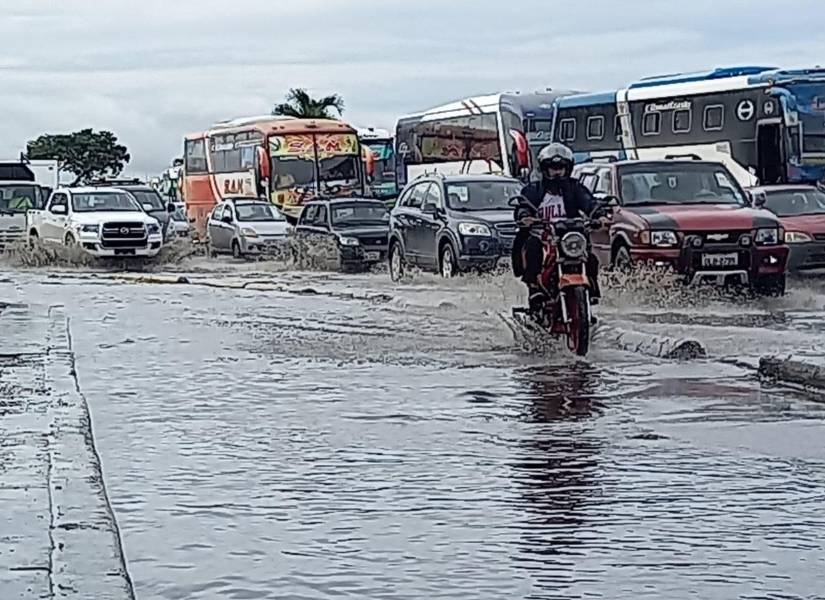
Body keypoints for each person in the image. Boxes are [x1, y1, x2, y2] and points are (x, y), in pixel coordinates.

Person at [511, 143, 603, 312]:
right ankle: (535, 289)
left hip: (569, 238)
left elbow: (589, 202)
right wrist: (525, 217)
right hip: (543, 237)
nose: (557, 172)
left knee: (590, 258)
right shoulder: (533, 190)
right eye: (553, 168)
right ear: (544, 169)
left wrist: (598, 214)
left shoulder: (575, 188)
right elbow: (523, 206)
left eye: (561, 168)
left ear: (568, 168)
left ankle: (592, 289)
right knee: (532, 246)